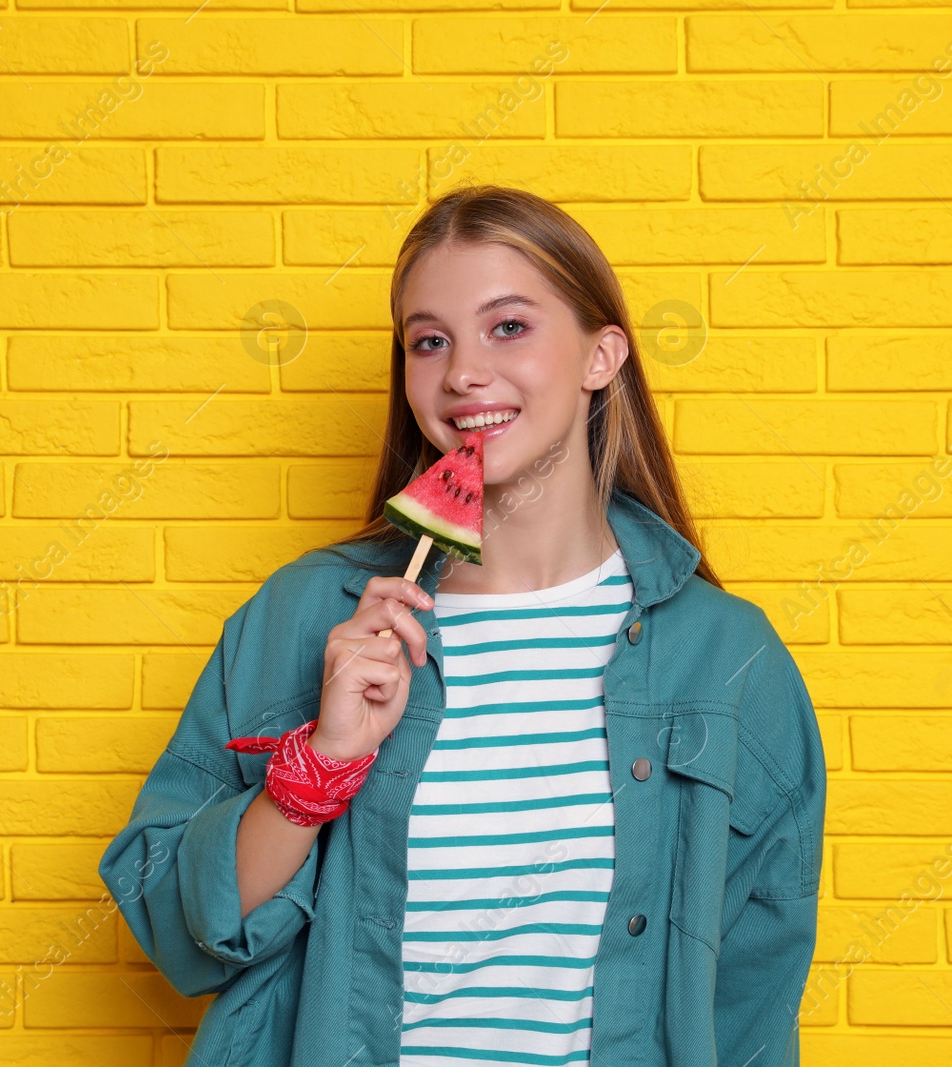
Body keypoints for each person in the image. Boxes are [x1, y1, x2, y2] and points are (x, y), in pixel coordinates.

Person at [99, 184, 826, 1067]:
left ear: (603, 356)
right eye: (429, 340)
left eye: (508, 327)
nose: (462, 374)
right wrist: (318, 768)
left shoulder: (729, 659)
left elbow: (756, 998)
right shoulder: (304, 618)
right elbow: (173, 927)